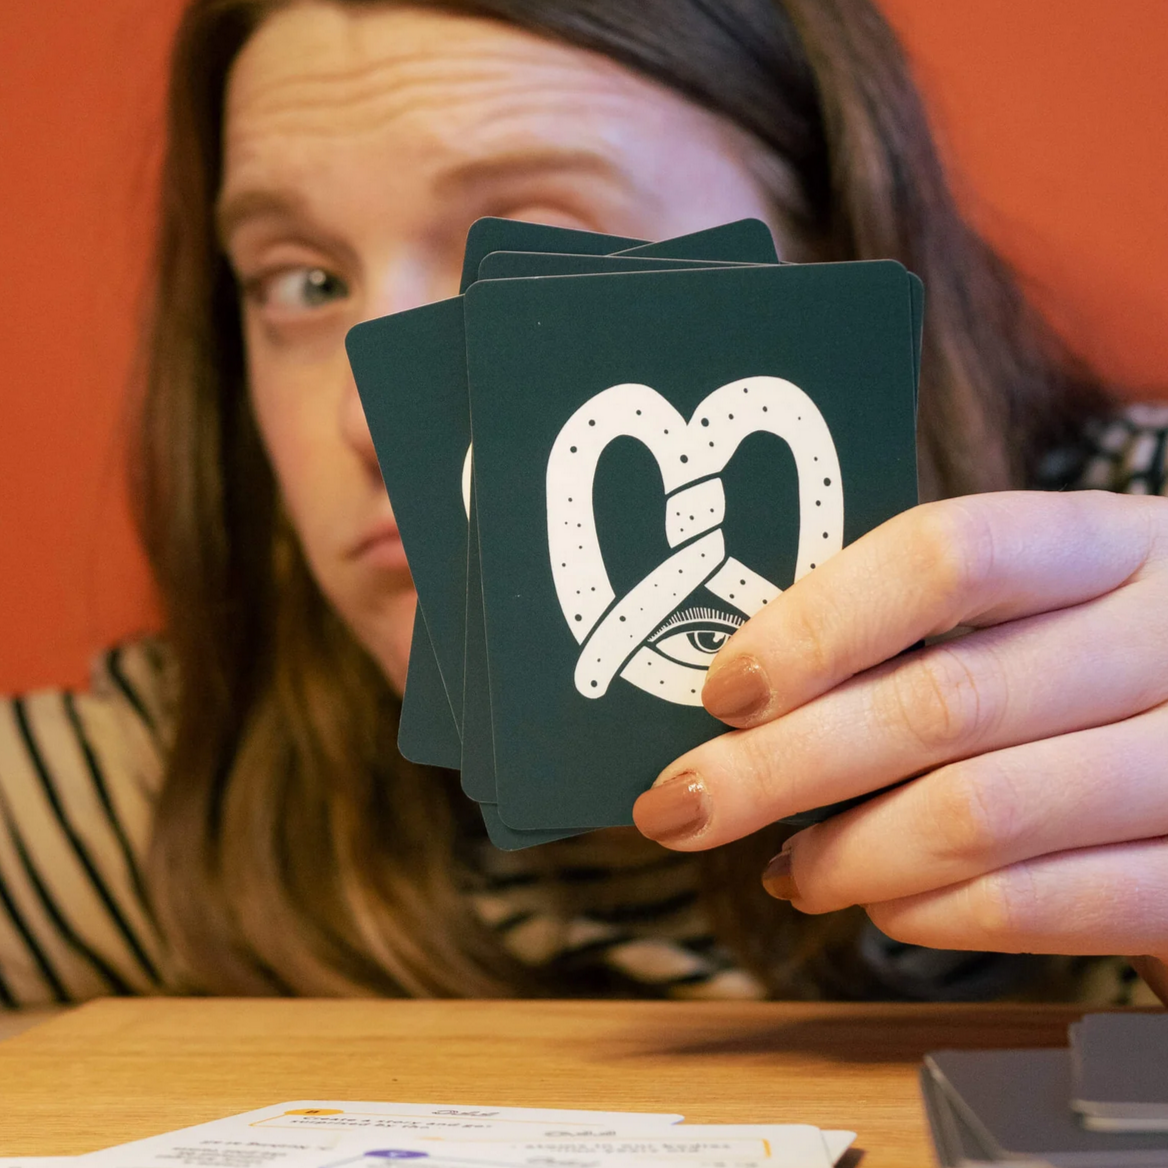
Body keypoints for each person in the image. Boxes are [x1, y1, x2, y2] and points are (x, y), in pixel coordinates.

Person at [0, 0, 1165, 1008]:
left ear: (823, 256)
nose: (368, 418)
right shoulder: (183, 784)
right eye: (305, 281)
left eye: (529, 256)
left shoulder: (1132, 588)